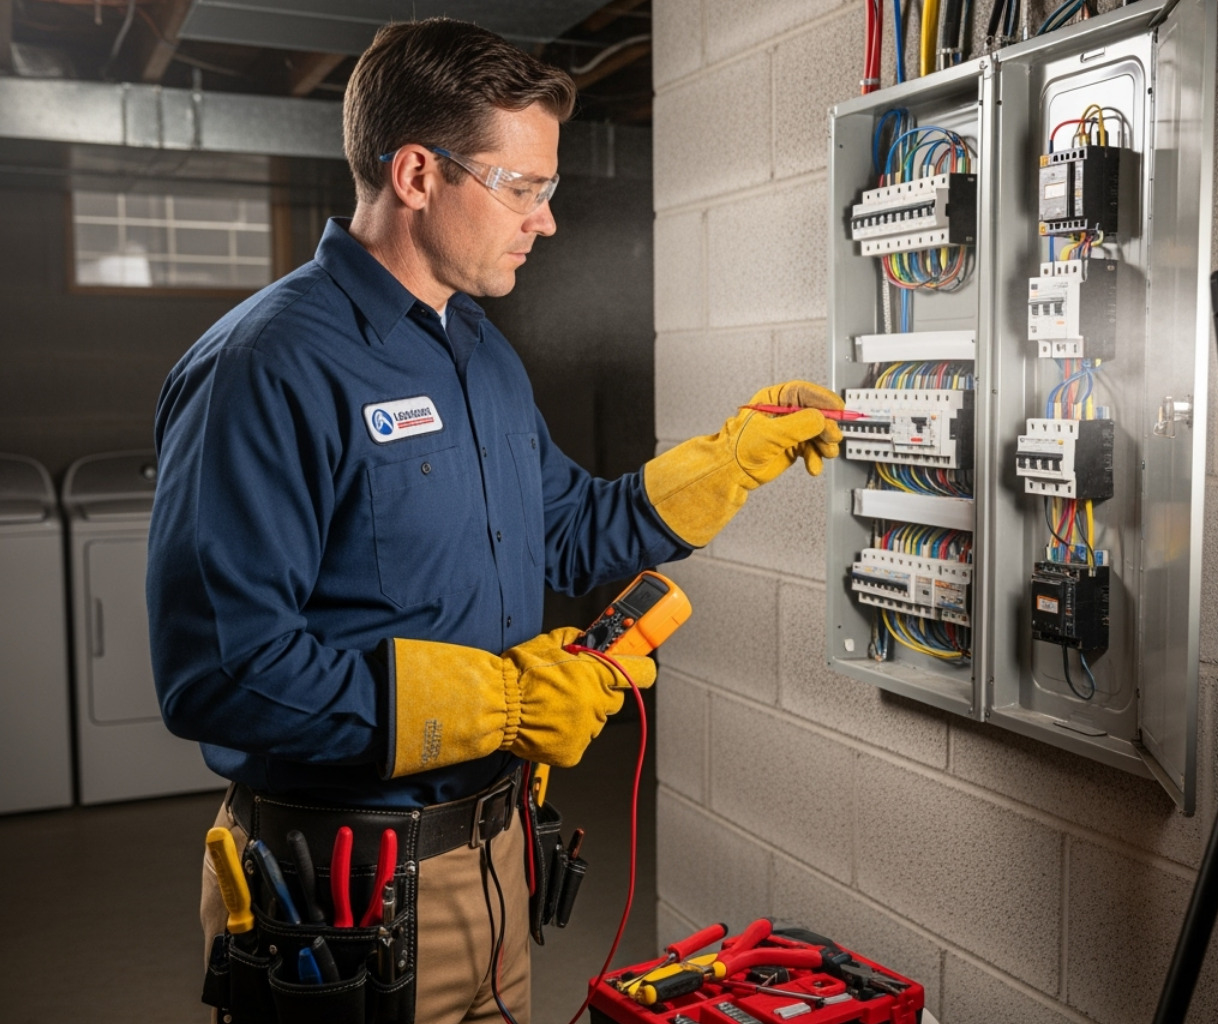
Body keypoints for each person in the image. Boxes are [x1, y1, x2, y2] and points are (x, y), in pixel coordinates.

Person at [146, 17, 842, 1024]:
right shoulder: (264, 366)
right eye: (523, 188)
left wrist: (731, 460)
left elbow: (567, 529)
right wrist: (500, 703)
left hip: (499, 860)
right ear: (419, 174)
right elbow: (223, 674)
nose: (545, 221)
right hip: (341, 892)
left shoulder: (478, 352)